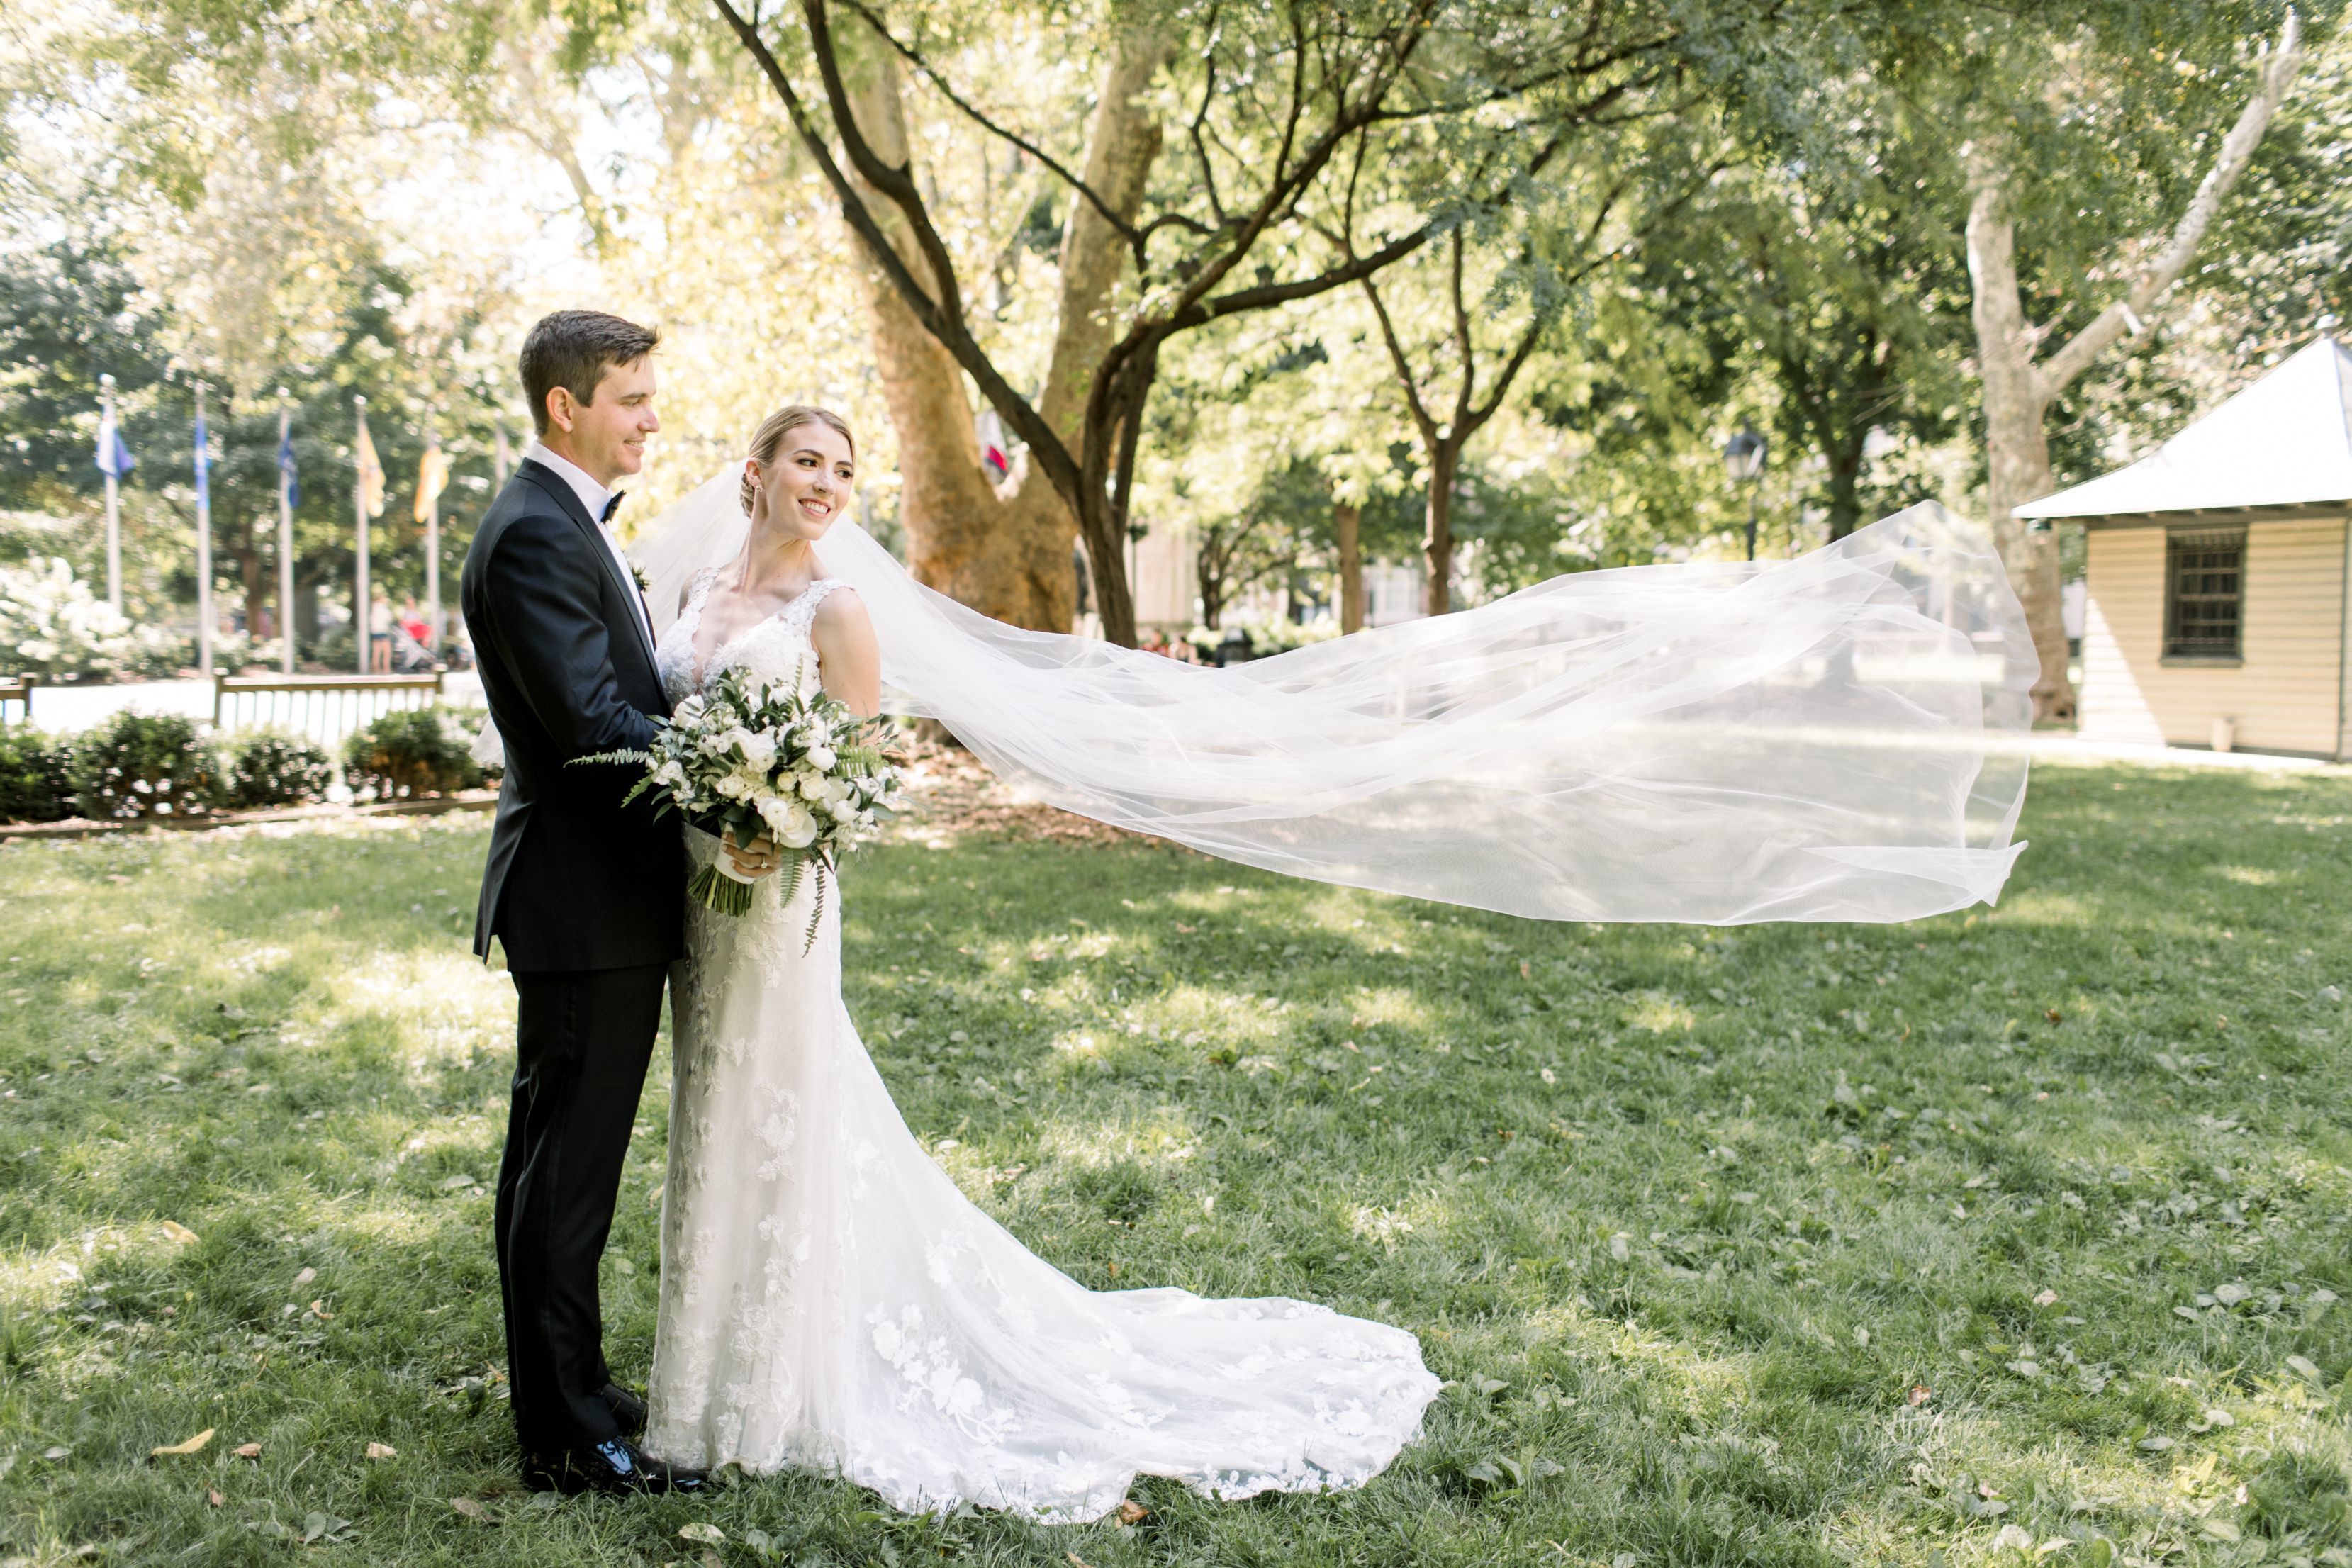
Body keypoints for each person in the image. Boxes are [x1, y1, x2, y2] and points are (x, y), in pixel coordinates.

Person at [638, 405, 1443, 1521]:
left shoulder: (841, 609)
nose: (825, 484)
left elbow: (859, 781)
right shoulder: (688, 598)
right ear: (756, 473)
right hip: (689, 902)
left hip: (776, 902)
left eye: (843, 470)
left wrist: (785, 818)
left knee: (777, 1110)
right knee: (709, 1110)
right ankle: (706, 1376)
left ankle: (774, 1388)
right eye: (805, 464)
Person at [460, 309, 753, 1497]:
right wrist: (735, 779)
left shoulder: (560, 522)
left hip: (598, 902)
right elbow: (592, 729)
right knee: (565, 1178)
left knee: (557, 1167)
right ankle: (571, 1441)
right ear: (563, 406)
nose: (650, 419)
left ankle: (568, 1391)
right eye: (630, 398)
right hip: (583, 908)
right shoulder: (534, 533)